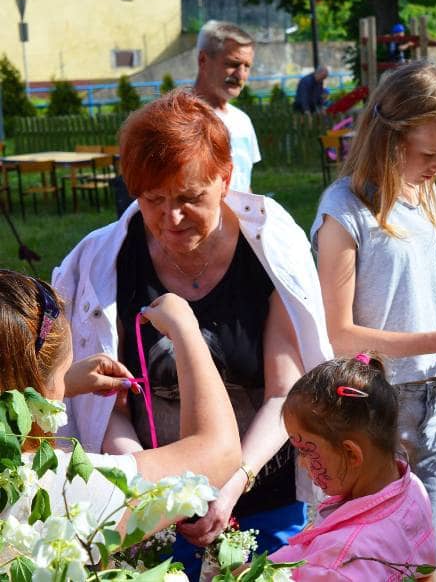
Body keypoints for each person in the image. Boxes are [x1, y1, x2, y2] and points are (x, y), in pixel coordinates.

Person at [52, 90, 332, 576]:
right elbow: (105, 404)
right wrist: (154, 490)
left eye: (189, 198)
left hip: (260, 493)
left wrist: (231, 483)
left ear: (225, 178)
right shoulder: (103, 265)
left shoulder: (267, 251)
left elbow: (283, 391)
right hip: (149, 507)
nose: (171, 219)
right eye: (153, 200)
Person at [310, 61, 436, 559]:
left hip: (429, 405)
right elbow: (340, 335)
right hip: (370, 414)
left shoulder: (426, 197)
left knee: (424, 561)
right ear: (389, 138)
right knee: (371, 563)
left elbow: (423, 307)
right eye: (430, 153)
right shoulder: (345, 211)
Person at [0, 273, 240, 537]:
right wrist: (185, 328)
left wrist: (60, 382)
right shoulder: (44, 490)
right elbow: (219, 452)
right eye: (64, 371)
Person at [270, 355, 436, 580]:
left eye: (306, 450)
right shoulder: (411, 488)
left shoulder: (340, 564)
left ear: (351, 453)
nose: (301, 462)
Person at [194, 20, 261, 193]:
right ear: (203, 60)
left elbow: (244, 183)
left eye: (247, 66)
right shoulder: (178, 119)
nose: (241, 75)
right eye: (233, 64)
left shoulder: (242, 121)